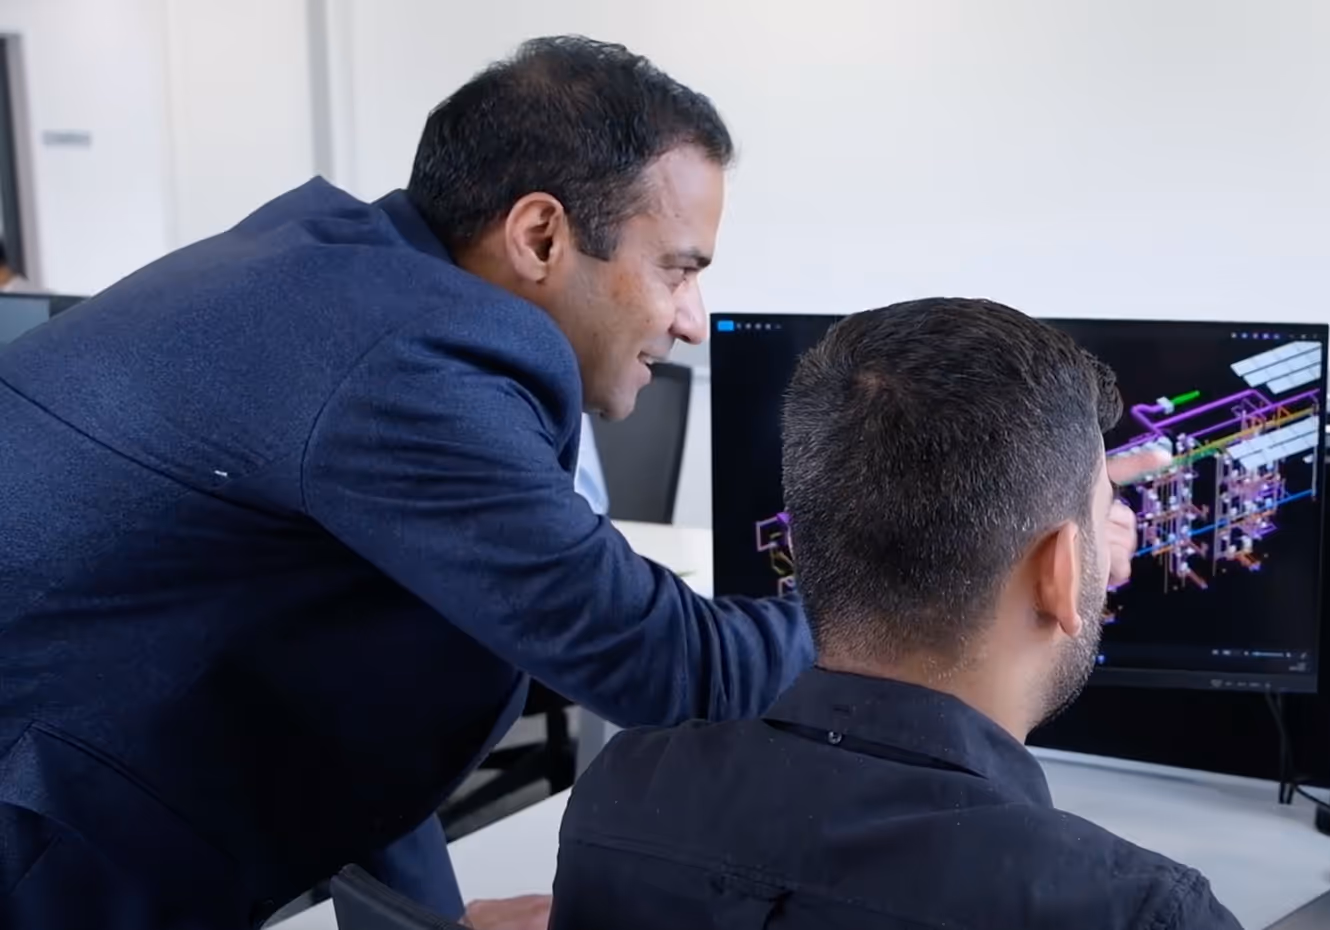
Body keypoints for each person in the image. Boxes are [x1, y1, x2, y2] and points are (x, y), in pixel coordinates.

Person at [0, 37, 1160, 930]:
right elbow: (667, 663)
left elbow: (346, 691)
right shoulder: (402, 362)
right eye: (678, 267)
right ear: (542, 237)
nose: (693, 319)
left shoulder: (340, 273)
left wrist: (426, 922)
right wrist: (965, 575)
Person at [551, 299, 1235, 930]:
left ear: (800, 548)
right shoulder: (1138, 914)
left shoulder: (621, 795)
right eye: (1101, 513)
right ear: (1059, 572)